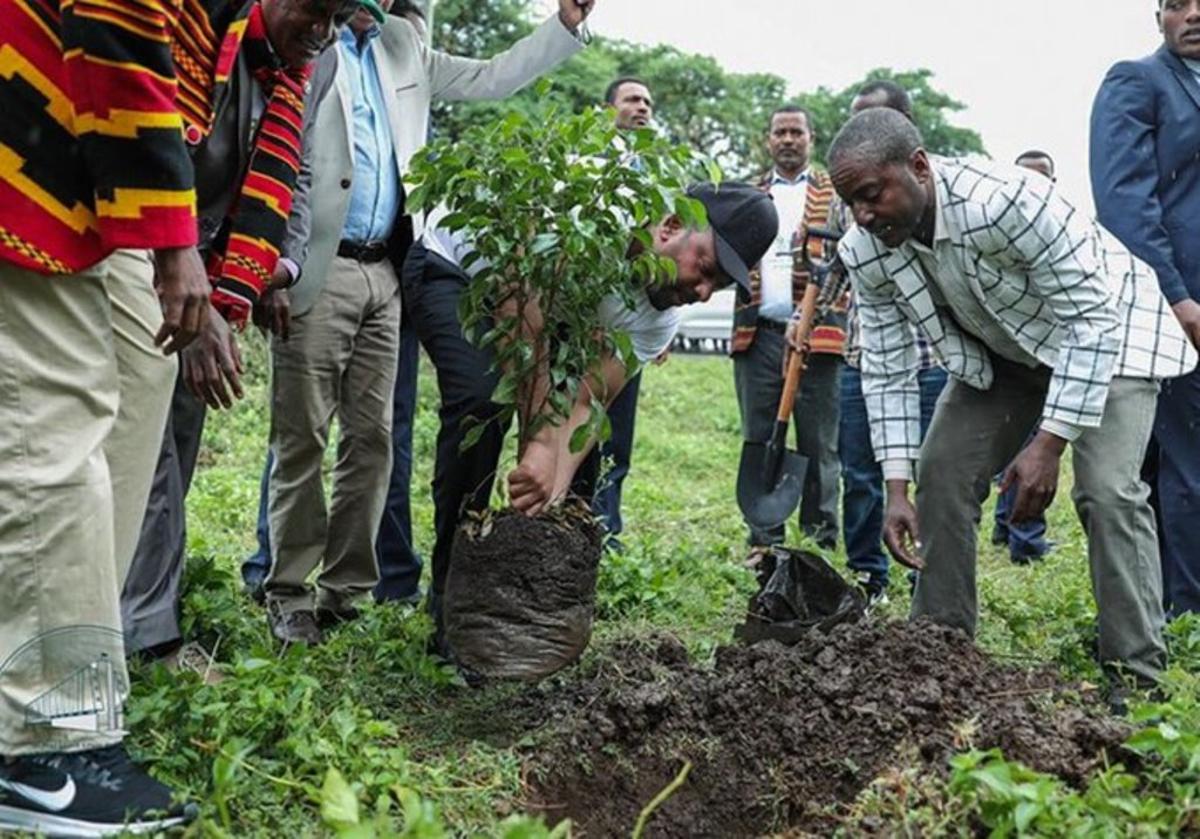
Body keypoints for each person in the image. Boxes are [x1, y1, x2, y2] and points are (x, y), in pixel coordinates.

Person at [0, 0, 356, 830]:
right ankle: (40, 743)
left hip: (103, 173)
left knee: (132, 397)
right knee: (54, 422)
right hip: (38, 138)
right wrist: (173, 242)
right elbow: (118, 19)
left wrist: (218, 306)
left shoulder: (283, 62)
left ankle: (67, 665)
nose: (329, 28)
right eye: (323, 6)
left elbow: (264, 178)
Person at [830, 108, 1196, 700]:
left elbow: (1091, 319)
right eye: (853, 202)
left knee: (1107, 492)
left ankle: (1137, 679)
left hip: (1110, 336)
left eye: (872, 195)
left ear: (919, 167)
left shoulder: (1006, 201)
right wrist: (897, 488)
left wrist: (1047, 445)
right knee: (943, 470)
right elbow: (889, 367)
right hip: (1006, 350)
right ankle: (937, 652)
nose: (864, 215)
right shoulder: (867, 248)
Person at [261, 0, 596, 645]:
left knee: (373, 440)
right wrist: (276, 258)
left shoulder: (402, 47)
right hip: (316, 268)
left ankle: (346, 589)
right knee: (302, 433)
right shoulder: (307, 41)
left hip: (385, 269)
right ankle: (288, 590)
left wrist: (565, 26)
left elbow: (493, 76)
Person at [409, 183, 776, 661]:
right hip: (458, 269)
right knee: (482, 405)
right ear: (669, 228)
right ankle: (448, 598)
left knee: (576, 467)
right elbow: (523, 321)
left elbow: (587, 402)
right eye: (705, 268)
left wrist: (549, 486)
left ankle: (528, 614)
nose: (704, 292)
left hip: (546, 313)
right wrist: (539, 444)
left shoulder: (659, 320)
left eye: (719, 286)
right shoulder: (590, 220)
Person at [118, 0, 353, 660]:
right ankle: (148, 638)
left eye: (339, 18)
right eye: (314, 10)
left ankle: (138, 606)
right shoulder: (201, 20)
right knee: (146, 445)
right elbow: (150, 141)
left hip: (218, 263)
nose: (324, 32)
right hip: (142, 237)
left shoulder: (319, 60)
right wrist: (182, 276)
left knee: (180, 438)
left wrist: (265, 271)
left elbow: (295, 172)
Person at [1091, 0, 1200, 616]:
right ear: (1156, 16)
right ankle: (1187, 616)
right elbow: (1127, 205)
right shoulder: (1137, 81)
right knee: (1187, 464)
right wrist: (1176, 297)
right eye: (1178, 2)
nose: (1193, 13)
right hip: (1174, 309)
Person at [832, 80, 948, 603]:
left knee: (935, 472)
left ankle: (930, 575)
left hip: (932, 358)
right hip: (864, 353)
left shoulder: (932, 196)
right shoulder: (851, 198)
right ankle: (868, 577)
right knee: (860, 472)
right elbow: (835, 266)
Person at [733, 105, 845, 553]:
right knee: (758, 437)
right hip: (757, 332)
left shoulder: (834, 195)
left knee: (820, 444)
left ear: (810, 139)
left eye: (796, 131)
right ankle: (764, 541)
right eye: (779, 132)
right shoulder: (748, 195)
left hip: (818, 338)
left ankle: (819, 541)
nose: (787, 139)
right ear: (768, 140)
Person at [592, 76, 657, 551]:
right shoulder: (589, 163)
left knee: (619, 429)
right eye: (633, 100)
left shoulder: (655, 170)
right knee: (577, 416)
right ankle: (574, 513)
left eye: (648, 103)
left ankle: (606, 528)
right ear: (607, 108)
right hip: (585, 315)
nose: (643, 108)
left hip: (631, 323)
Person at [988, 150, 1059, 566]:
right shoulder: (999, 233)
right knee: (1018, 443)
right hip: (1008, 357)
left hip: (1049, 356)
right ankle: (1021, 536)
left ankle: (1018, 532)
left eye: (1041, 180)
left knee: (1033, 445)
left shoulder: (1062, 231)